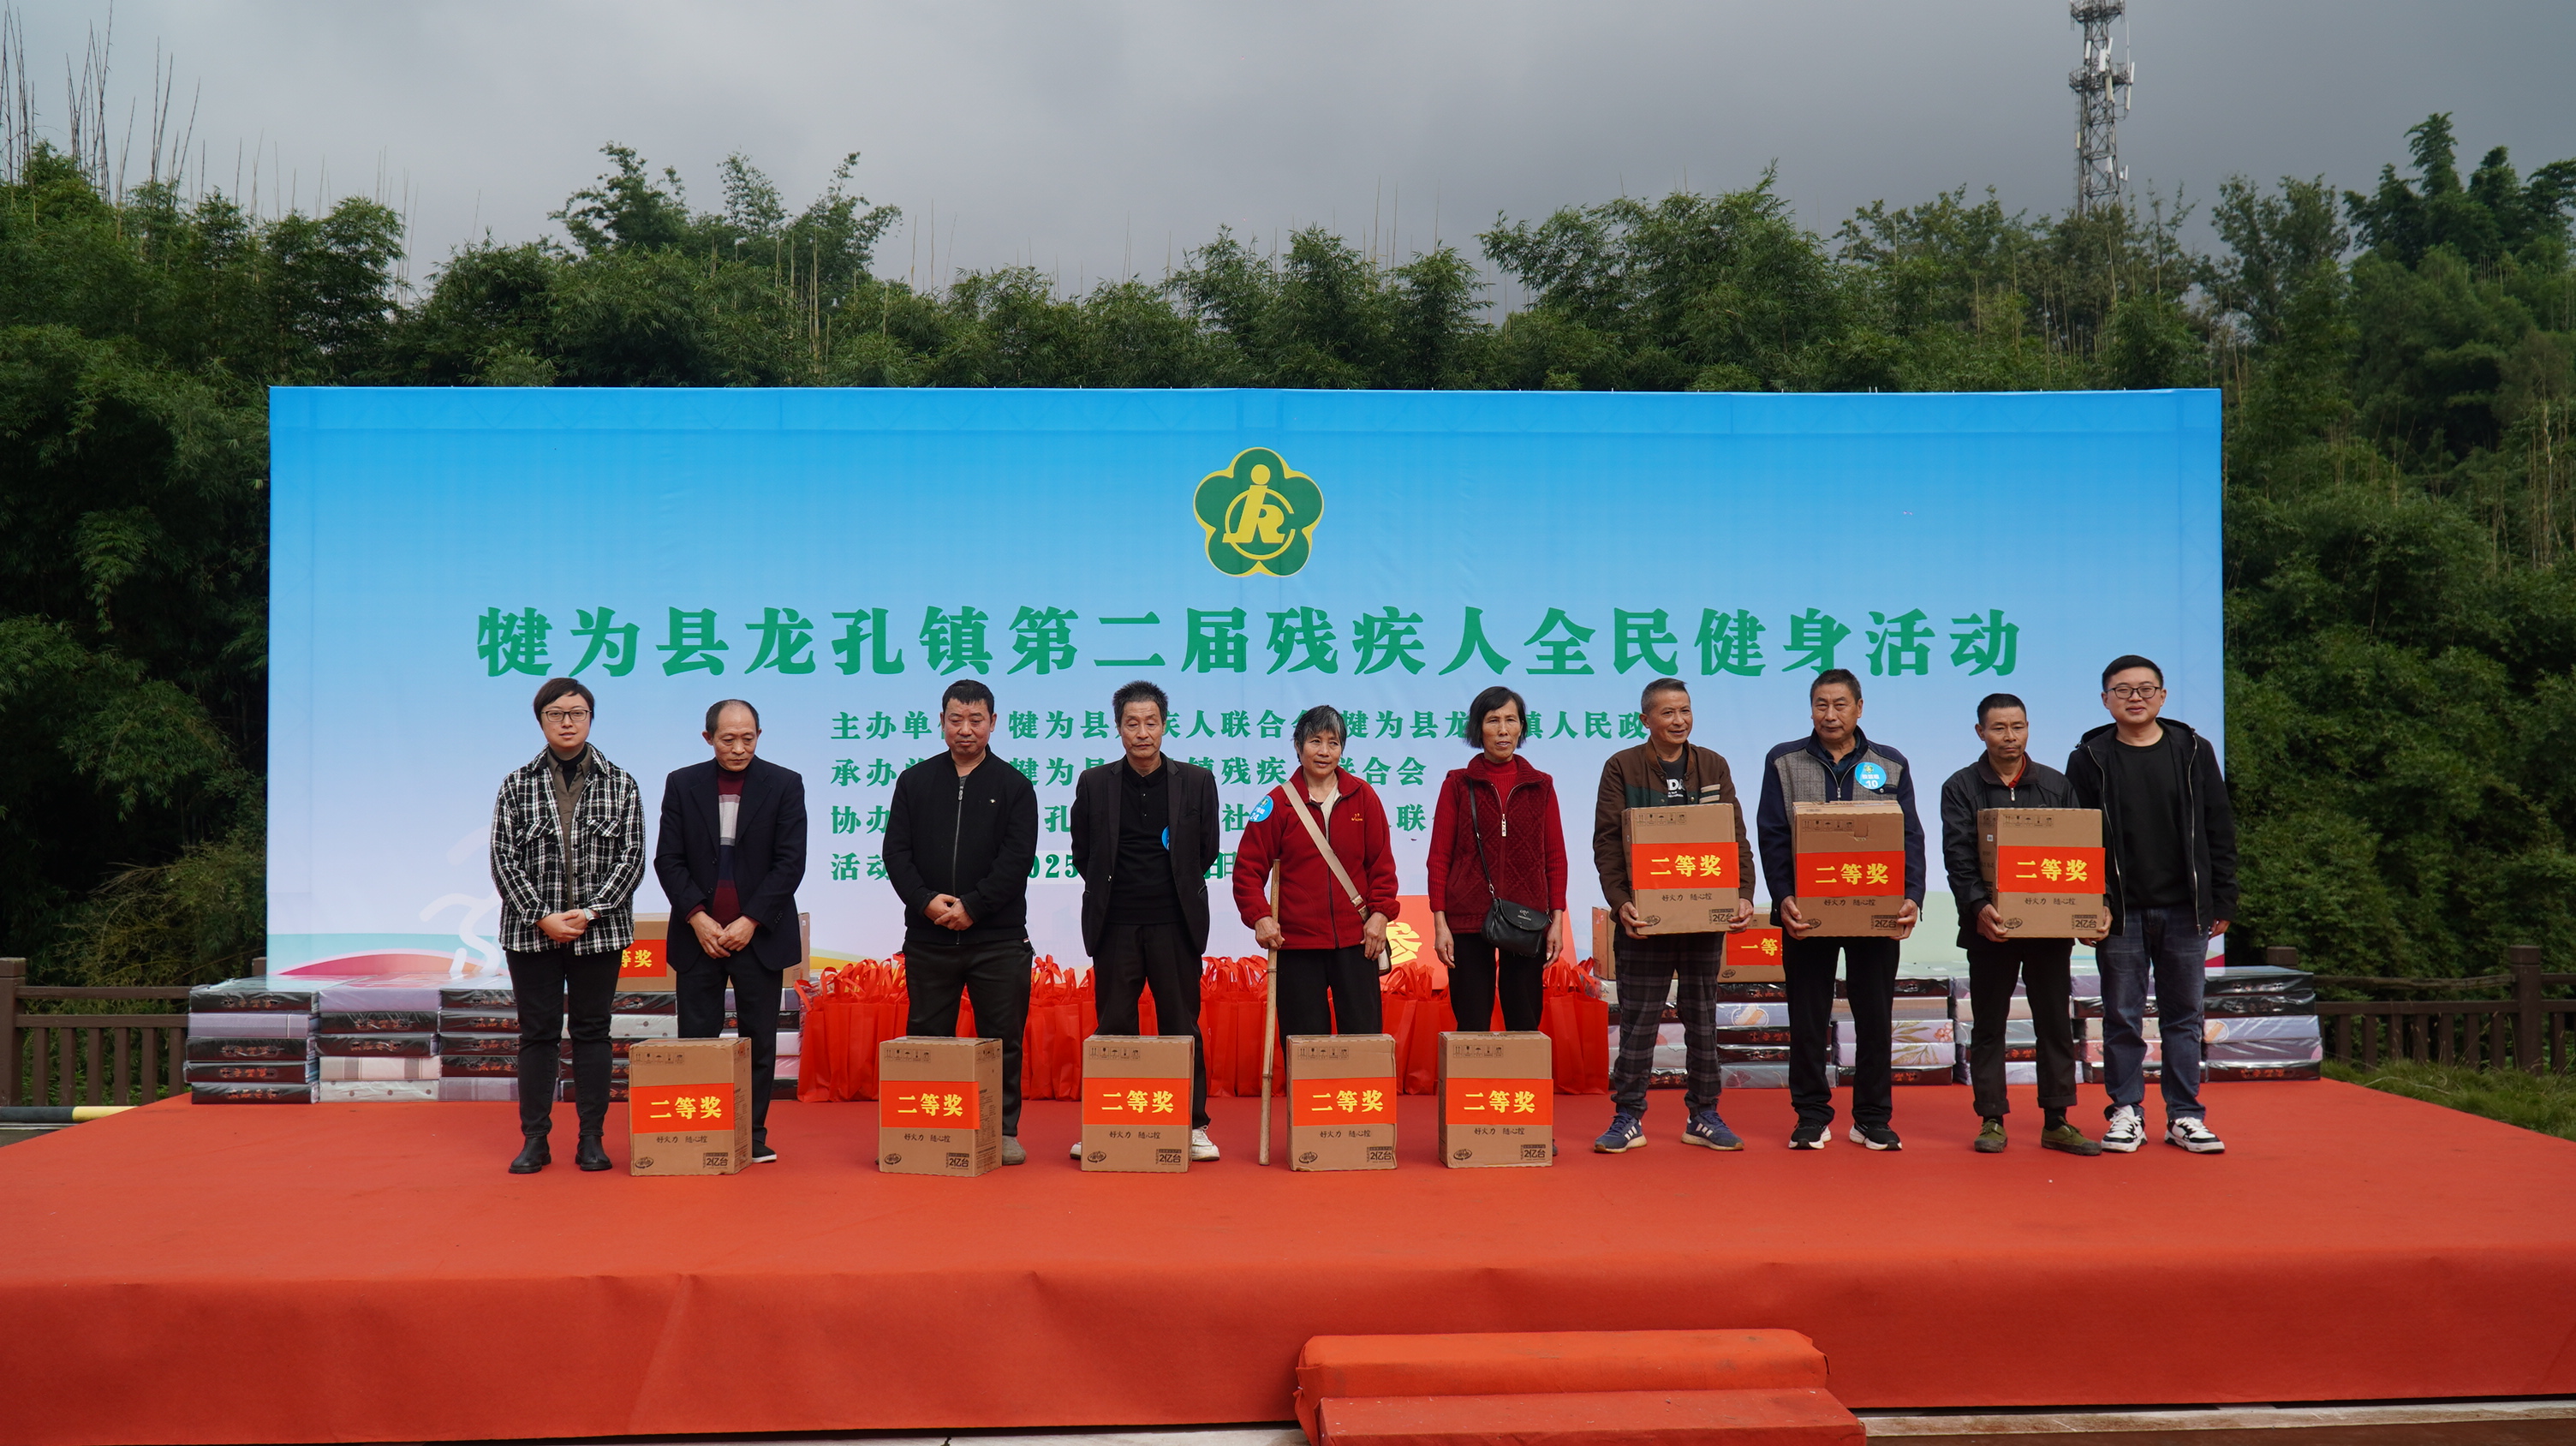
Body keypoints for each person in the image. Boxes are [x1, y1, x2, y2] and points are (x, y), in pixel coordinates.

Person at [2066, 654, 2239, 1155]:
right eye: (2123, 690)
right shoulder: (2090, 758)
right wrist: (2087, 904)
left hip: (2186, 908)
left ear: (2162, 696)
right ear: (2106, 700)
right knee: (2121, 1016)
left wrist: (2223, 896)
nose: (2135, 697)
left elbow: (2218, 825)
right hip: (2119, 912)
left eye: (2145, 689)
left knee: (2183, 1015)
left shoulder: (2192, 750)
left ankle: (2185, 1115)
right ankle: (2126, 1112)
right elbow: (2077, 839)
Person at [1756, 667, 1923, 1152]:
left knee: (1875, 1018)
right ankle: (1811, 1115)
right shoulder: (1784, 761)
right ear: (1810, 709)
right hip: (1808, 913)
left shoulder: (1890, 763)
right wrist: (1783, 896)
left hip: (1876, 911)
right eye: (1821, 705)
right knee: (1807, 1018)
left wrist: (1912, 896)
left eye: (1840, 704)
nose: (1830, 714)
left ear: (1859, 708)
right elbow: (1773, 834)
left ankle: (1872, 1118)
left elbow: (1910, 835)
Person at [1590, 678, 1756, 1156]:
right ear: (1646, 720)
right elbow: (1607, 842)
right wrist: (1621, 902)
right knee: (1639, 1022)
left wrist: (1743, 894)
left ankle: (1704, 1114)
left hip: (1703, 919)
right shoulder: (1622, 766)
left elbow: (1734, 836)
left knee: (1702, 1019)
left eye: (1685, 710)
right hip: (1645, 920)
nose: (1679, 720)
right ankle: (1627, 1117)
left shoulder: (1712, 765)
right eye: (1667, 713)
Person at [488, 678, 646, 1174]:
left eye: (577, 713)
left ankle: (591, 1139)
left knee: (592, 1032)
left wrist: (593, 911)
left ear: (591, 719)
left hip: (599, 931)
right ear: (541, 721)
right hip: (530, 932)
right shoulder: (517, 784)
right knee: (537, 1034)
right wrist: (542, 915)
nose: (567, 722)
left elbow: (633, 858)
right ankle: (535, 1140)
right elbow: (502, 859)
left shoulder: (621, 783)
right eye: (555, 714)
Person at [884, 680, 1041, 1165]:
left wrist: (973, 906)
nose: (966, 729)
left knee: (1002, 1040)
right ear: (941, 722)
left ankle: (1002, 1129)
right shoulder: (914, 782)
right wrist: (926, 902)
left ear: (993, 723)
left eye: (976, 720)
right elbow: (896, 853)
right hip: (929, 938)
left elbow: (1017, 860)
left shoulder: (1014, 786)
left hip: (998, 939)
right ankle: (925, 1126)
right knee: (927, 1038)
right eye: (956, 719)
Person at [1938, 693, 2100, 1156]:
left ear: (2028, 728)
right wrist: (1978, 907)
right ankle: (1991, 1117)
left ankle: (2057, 1120)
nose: (2010, 737)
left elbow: (2079, 850)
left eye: (2018, 727)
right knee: (1990, 1024)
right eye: (1999, 728)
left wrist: (2089, 907)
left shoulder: (2055, 785)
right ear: (1980, 732)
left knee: (2054, 1023)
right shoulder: (1961, 786)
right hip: (1991, 928)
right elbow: (1958, 857)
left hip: (2048, 929)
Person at [1069, 680, 1224, 1162]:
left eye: (1150, 722)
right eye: (1132, 723)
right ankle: (1109, 1121)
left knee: (1182, 1025)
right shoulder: (1094, 783)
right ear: (1118, 728)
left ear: (1164, 725)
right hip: (1114, 924)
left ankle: (1193, 1124)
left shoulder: (1196, 781)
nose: (1142, 733)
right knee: (1114, 1025)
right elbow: (1083, 852)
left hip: (1175, 924)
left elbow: (1206, 850)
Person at [654, 698, 807, 1166]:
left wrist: (750, 920)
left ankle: (752, 1133)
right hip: (698, 936)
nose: (739, 748)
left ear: (759, 736)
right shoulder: (682, 783)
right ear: (708, 738)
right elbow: (668, 860)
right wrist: (697, 918)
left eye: (748, 738)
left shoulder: (784, 783)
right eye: (728, 739)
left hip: (758, 937)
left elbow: (790, 863)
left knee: (759, 1040)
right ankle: (698, 1129)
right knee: (697, 1040)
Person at [1231, 706, 1398, 1037]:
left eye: (1333, 743)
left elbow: (1381, 865)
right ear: (1298, 746)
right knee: (1305, 1044)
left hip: (1356, 941)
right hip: (1297, 946)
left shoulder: (1363, 797)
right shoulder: (1277, 804)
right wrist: (1260, 917)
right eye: (1315, 741)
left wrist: (1380, 915)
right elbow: (1247, 871)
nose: (1324, 751)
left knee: (1364, 1041)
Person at [1428, 685, 1570, 1034]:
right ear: (1478, 729)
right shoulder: (1457, 785)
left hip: (1527, 917)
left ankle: (1520, 1073)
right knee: (1472, 1021)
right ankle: (1473, 1073)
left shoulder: (1541, 785)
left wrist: (1557, 920)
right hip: (1467, 919)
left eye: (1511, 720)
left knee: (1525, 1021)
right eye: (1493, 721)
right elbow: (1439, 857)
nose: (1503, 730)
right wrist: (1440, 923)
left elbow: (1555, 857)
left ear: (1522, 727)